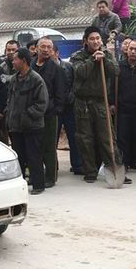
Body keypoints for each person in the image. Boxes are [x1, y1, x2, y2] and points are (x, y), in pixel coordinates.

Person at [70, 26, 130, 184]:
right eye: (92, 39)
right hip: (82, 103)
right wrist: (92, 60)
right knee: (86, 139)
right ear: (85, 41)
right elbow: (79, 73)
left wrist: (104, 60)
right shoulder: (77, 56)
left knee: (108, 137)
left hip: (100, 101)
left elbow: (115, 72)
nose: (96, 41)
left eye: (98, 38)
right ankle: (90, 171)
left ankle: (115, 169)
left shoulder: (108, 55)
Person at [5, 48, 48, 195]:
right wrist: (8, 114)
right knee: (19, 157)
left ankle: (38, 185)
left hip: (32, 126)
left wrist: (26, 115)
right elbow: (10, 101)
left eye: (15, 59)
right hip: (16, 127)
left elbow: (42, 104)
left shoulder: (36, 79)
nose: (13, 61)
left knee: (34, 156)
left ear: (23, 61)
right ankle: (21, 184)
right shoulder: (14, 79)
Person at [111, 40, 136, 174]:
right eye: (131, 49)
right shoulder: (119, 67)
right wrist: (112, 103)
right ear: (127, 51)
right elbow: (112, 86)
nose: (133, 52)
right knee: (123, 137)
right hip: (123, 108)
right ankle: (125, 162)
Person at [31, 37, 66, 188]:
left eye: (49, 47)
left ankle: (51, 177)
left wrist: (56, 109)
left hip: (49, 113)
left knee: (49, 146)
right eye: (43, 46)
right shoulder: (30, 65)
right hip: (32, 113)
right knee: (34, 146)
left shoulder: (56, 68)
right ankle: (36, 175)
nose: (46, 49)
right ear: (36, 48)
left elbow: (60, 91)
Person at [52, 45, 83, 175]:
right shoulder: (46, 68)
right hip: (54, 108)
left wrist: (71, 97)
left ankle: (77, 165)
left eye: (52, 51)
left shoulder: (68, 66)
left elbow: (75, 84)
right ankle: (53, 166)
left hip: (69, 107)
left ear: (57, 53)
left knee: (74, 138)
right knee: (52, 139)